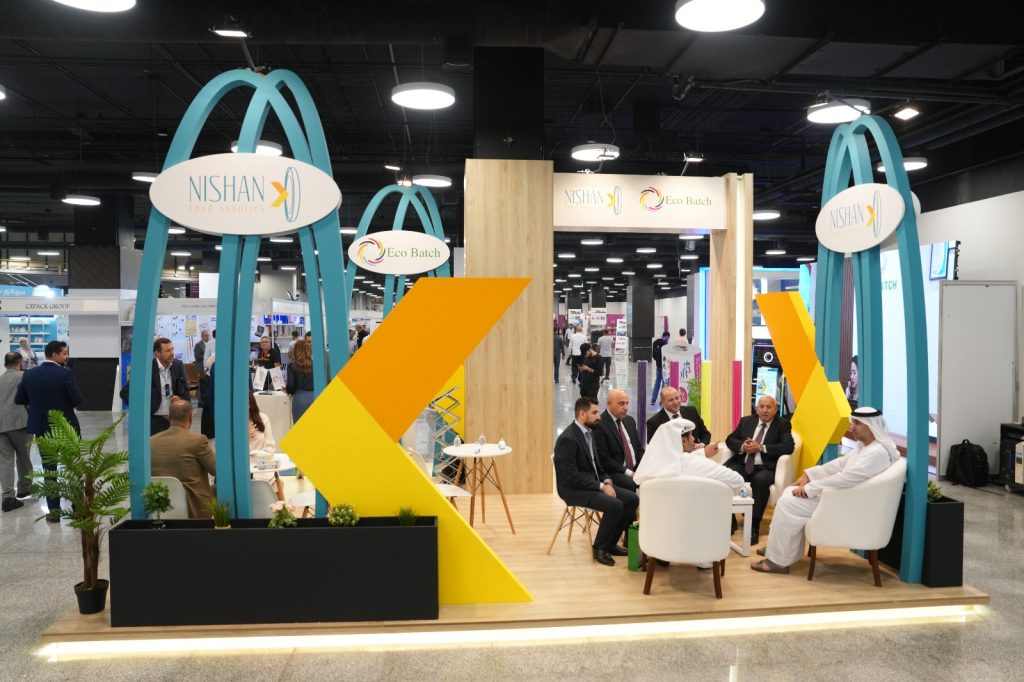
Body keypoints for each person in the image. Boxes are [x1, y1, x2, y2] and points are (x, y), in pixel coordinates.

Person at [751, 406, 902, 574]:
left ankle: (778, 561)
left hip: (847, 503)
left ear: (871, 426)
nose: (852, 427)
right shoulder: (865, 447)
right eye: (853, 422)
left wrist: (810, 488)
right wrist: (809, 475)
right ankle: (777, 548)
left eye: (857, 423)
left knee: (788, 503)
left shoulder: (876, 453)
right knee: (788, 493)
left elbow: (845, 478)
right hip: (843, 495)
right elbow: (839, 464)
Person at [553, 397, 639, 567]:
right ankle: (600, 548)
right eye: (594, 413)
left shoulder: (589, 433)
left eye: (598, 412)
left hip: (591, 483)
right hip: (573, 489)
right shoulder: (567, 439)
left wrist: (607, 481)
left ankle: (611, 544)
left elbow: (597, 466)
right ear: (582, 414)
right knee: (615, 505)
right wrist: (601, 486)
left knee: (631, 499)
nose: (599, 416)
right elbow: (570, 477)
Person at [15, 340, 83, 522]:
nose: (67, 357)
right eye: (64, 354)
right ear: (54, 355)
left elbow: (19, 398)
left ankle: (54, 512)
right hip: (66, 428)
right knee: (73, 468)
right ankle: (78, 509)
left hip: (42, 428)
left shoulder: (29, 374)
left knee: (49, 470)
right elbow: (77, 399)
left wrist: (37, 403)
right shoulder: (66, 373)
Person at [724, 395, 795, 545]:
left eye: (769, 407)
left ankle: (754, 526)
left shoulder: (782, 424)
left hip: (765, 467)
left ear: (775, 409)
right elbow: (730, 439)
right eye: (761, 406)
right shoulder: (746, 421)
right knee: (725, 475)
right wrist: (743, 446)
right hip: (743, 464)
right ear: (757, 408)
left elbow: (788, 446)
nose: (764, 410)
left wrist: (761, 448)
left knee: (761, 480)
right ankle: (730, 520)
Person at [150, 397, 217, 519]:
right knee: (221, 489)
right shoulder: (198, 441)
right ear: (190, 418)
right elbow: (216, 470)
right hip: (194, 508)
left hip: (160, 505)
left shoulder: (151, 442)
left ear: (168, 417)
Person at [634, 417, 737, 488]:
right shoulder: (692, 462)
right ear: (683, 441)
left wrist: (703, 453)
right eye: (691, 435)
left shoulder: (651, 466)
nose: (693, 439)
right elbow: (735, 479)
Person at [128, 337, 190, 436]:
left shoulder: (178, 365)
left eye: (172, 349)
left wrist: (181, 401)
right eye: (168, 350)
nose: (172, 353)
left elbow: (185, 390)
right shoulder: (146, 368)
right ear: (157, 353)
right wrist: (142, 409)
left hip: (175, 421)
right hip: (153, 421)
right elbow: (125, 393)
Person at [592, 389, 645, 492]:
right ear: (609, 404)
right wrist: (630, 473)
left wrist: (646, 465)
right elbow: (604, 460)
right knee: (630, 483)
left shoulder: (630, 421)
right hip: (615, 471)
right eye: (621, 404)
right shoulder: (599, 424)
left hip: (636, 467)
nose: (626, 407)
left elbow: (638, 449)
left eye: (627, 403)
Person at [0, 353, 32, 511]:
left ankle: (7, 497)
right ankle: (24, 489)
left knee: (5, 461)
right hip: (21, 423)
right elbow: (29, 399)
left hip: (1, 426)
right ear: (20, 363)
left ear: (5, 364)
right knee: (23, 457)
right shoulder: (24, 377)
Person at [247, 391, 282, 499]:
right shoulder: (233, 423)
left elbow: (270, 447)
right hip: (242, 470)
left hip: (261, 468)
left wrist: (256, 454)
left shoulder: (263, 419)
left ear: (251, 403)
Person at [286, 339, 315, 425]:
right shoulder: (315, 364)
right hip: (315, 397)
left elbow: (290, 386)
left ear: (295, 351)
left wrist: (287, 390)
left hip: (300, 399)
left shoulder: (292, 366)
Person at [649, 331, 671, 405]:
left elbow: (653, 355)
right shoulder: (666, 345)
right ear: (667, 337)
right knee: (664, 382)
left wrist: (657, 360)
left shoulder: (655, 342)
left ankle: (653, 399)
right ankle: (662, 400)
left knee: (657, 381)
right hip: (664, 366)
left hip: (658, 365)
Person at [194, 329, 210, 407]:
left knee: (206, 385)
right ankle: (201, 402)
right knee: (201, 385)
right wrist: (207, 356)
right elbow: (197, 357)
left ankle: (206, 401)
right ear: (202, 336)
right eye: (206, 336)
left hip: (207, 368)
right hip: (201, 368)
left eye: (208, 335)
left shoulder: (209, 344)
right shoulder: (198, 345)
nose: (207, 337)